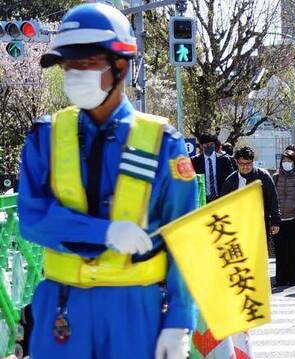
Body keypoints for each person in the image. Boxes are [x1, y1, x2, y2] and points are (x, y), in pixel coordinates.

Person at [17, 4, 194, 357]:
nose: (73, 75)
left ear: (121, 66)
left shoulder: (162, 142)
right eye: (68, 66)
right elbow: (32, 219)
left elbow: (185, 236)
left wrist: (180, 319)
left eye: (85, 64)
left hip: (136, 308)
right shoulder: (44, 136)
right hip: (62, 307)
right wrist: (105, 233)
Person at [221, 146, 281, 241]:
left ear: (253, 162)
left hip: (259, 223)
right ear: (237, 163)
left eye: (248, 163)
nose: (245, 166)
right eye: (242, 164)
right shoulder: (230, 180)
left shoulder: (263, 176)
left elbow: (273, 199)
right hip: (237, 225)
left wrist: (275, 221)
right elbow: (223, 203)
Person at [272, 150, 295, 287]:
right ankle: (280, 278)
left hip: (294, 219)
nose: (286, 163)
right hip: (279, 220)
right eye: (284, 161)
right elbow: (271, 199)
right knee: (280, 250)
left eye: (289, 161)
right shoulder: (275, 177)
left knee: (294, 250)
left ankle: (294, 276)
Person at [191, 132, 235, 202]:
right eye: (206, 145)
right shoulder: (195, 161)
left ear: (214, 145)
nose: (209, 147)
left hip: (221, 199)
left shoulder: (224, 160)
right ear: (201, 146)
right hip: (202, 200)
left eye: (211, 144)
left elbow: (232, 179)